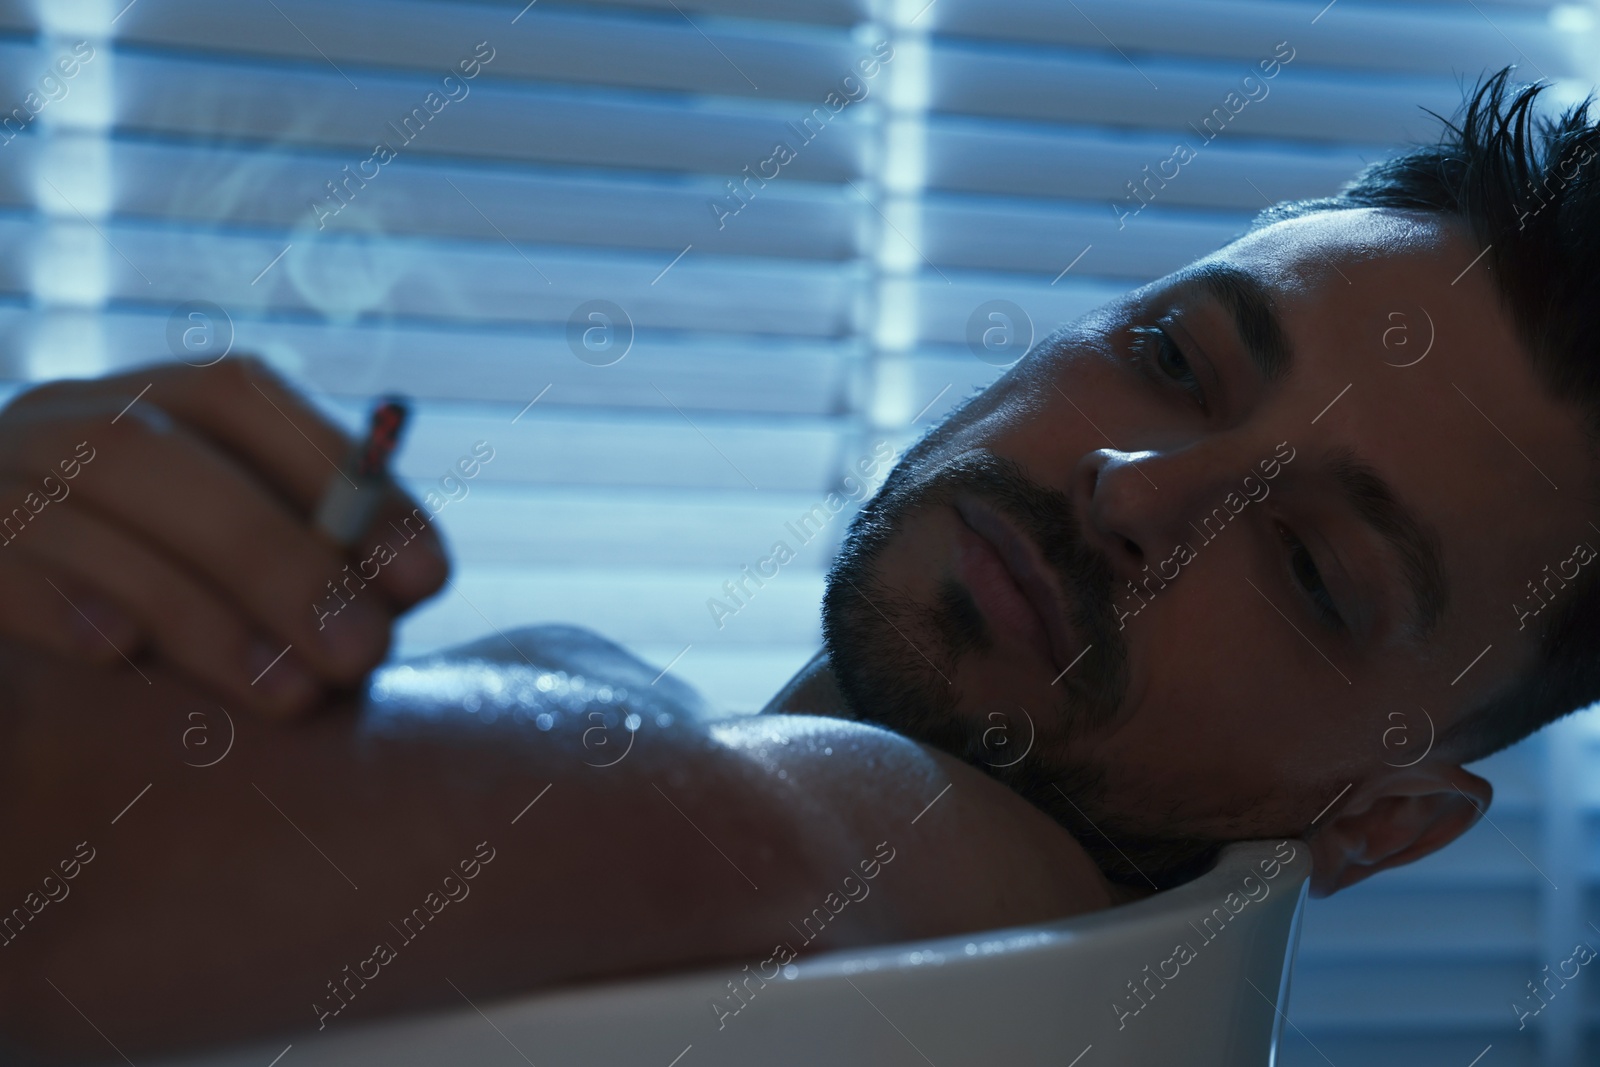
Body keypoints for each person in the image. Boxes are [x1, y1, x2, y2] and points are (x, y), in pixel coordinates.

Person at [3, 69, 1597, 1061]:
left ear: (1381, 823)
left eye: (1312, 569)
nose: (1136, 489)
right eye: (1175, 358)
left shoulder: (921, 851)